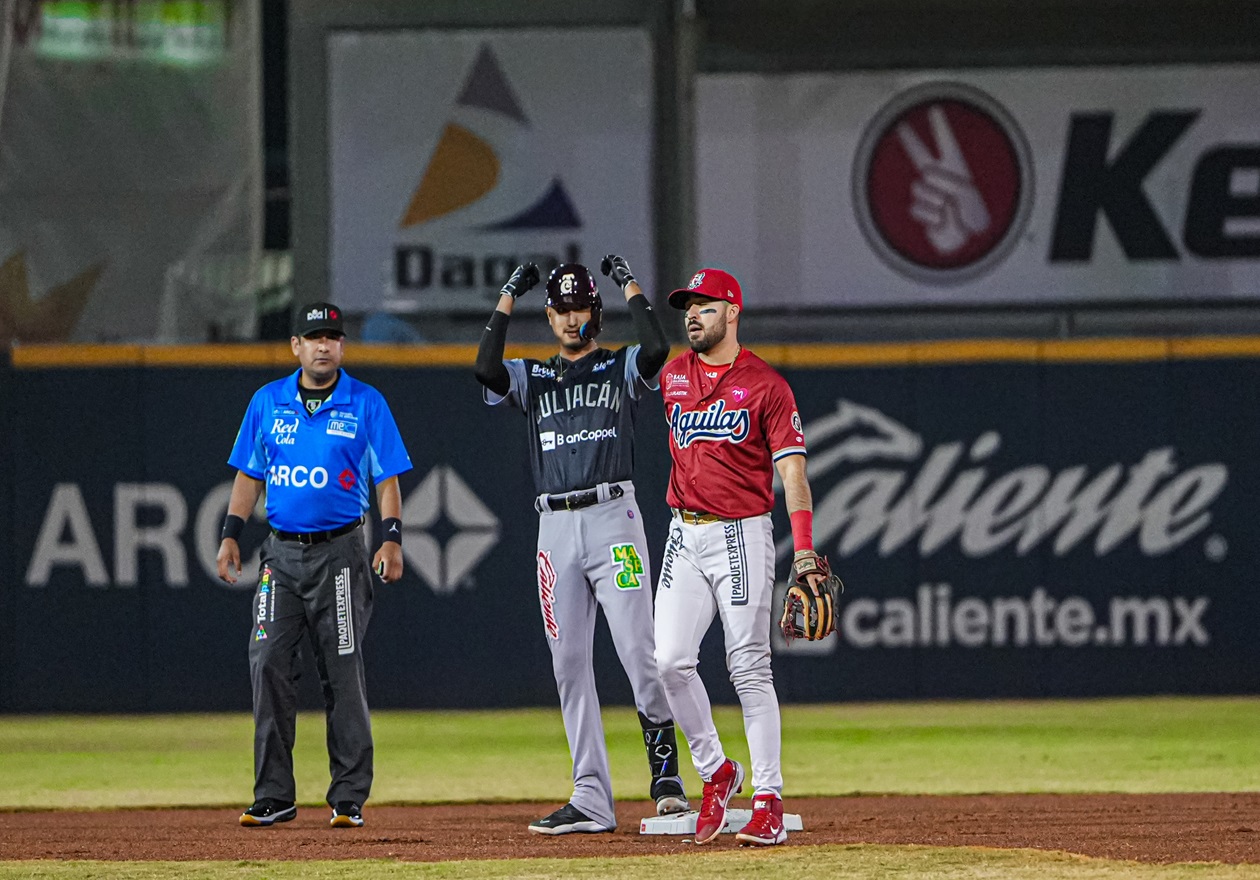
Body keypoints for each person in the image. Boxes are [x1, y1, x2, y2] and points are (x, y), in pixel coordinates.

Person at [474, 256, 690, 835]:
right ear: (549, 315)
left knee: (638, 650)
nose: (571, 319)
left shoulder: (619, 366)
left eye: (580, 308)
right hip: (554, 528)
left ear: (595, 312)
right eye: (562, 309)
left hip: (612, 518)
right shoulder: (533, 377)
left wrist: (630, 285)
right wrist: (507, 295)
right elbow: (484, 367)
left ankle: (665, 773)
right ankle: (591, 796)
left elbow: (656, 351)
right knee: (569, 664)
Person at [217, 302, 413, 829]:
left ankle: (348, 795)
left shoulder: (366, 404)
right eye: (313, 337)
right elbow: (248, 475)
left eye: (332, 336)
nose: (323, 345)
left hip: (341, 554)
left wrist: (391, 539)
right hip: (279, 554)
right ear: (295, 347)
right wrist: (231, 534)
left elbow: (387, 480)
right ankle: (274, 795)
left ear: (342, 347)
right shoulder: (267, 402)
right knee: (267, 662)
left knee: (342, 669)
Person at [654, 268, 830, 846]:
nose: (692, 314)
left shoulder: (766, 385)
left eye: (705, 305)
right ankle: (717, 771)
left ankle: (769, 799)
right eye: (688, 306)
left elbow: (793, 475)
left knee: (748, 664)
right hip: (683, 531)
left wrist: (803, 554)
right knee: (670, 661)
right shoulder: (674, 376)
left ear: (733, 312)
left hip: (739, 533)